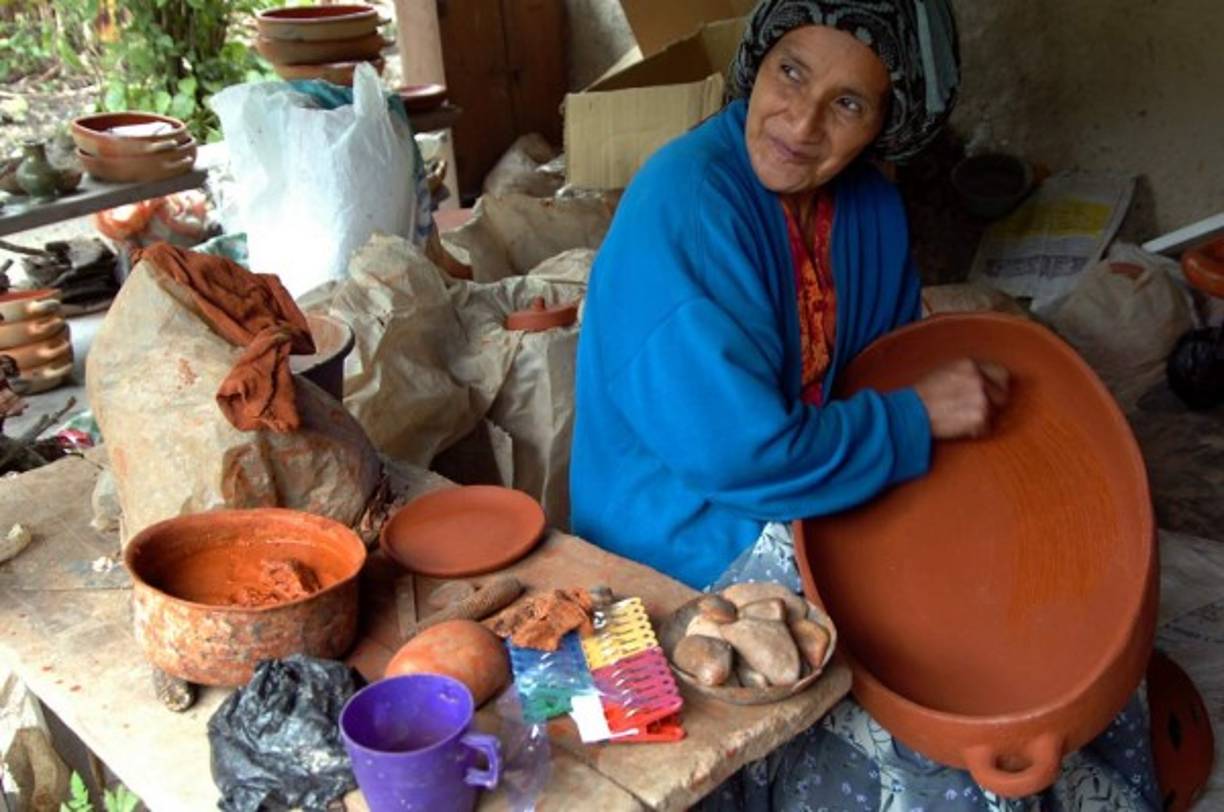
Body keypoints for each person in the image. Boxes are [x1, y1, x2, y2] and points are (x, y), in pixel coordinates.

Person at [570, 1, 1159, 809]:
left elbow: (878, 372)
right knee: (916, 739)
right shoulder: (686, 202)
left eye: (848, 103)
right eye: (791, 72)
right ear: (757, 64)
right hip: (688, 535)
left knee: (1050, 616)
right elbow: (741, 454)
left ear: (887, 124)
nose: (802, 121)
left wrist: (932, 436)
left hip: (813, 484)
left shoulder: (869, 209)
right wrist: (915, 421)